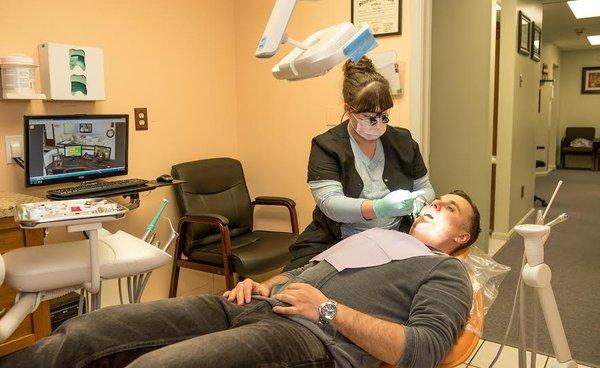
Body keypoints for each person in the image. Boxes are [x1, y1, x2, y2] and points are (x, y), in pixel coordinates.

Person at [0, 191, 480, 368]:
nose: (435, 205)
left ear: (462, 238)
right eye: (437, 201)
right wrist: (264, 283)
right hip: (245, 304)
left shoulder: (446, 272)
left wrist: (326, 310)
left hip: (306, 338)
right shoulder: (377, 236)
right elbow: (301, 274)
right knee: (87, 332)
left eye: (450, 209)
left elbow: (423, 350)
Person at [286, 57, 434, 270]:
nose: (378, 124)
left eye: (384, 116)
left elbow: (425, 188)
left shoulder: (402, 141)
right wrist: (379, 207)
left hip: (393, 239)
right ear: (348, 109)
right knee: (297, 285)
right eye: (369, 118)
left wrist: (417, 201)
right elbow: (330, 204)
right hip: (338, 239)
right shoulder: (327, 146)